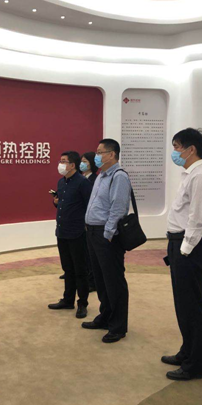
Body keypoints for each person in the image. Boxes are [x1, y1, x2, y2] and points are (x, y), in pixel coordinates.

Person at [161, 128, 202, 381]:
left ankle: (195, 365)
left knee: (192, 306)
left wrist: (184, 250)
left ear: (191, 149)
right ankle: (187, 351)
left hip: (189, 247)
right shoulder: (190, 174)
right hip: (180, 244)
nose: (174, 152)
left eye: (177, 147)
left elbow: (197, 218)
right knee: (183, 304)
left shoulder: (200, 176)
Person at [82, 138, 132, 343]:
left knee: (113, 281)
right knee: (101, 279)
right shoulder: (101, 176)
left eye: (100, 152)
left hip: (106, 235)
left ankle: (118, 326)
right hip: (92, 233)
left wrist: (108, 234)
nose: (96, 156)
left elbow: (118, 208)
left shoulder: (119, 177)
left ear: (111, 154)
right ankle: (105, 316)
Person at [48, 151, 93, 318]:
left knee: (80, 270)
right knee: (67, 268)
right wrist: (56, 203)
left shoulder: (83, 183)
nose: (60, 164)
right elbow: (63, 203)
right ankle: (68, 300)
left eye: (64, 161)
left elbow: (89, 206)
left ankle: (82, 303)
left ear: (73, 165)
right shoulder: (61, 182)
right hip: (62, 231)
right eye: (60, 161)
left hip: (77, 232)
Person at [80, 151, 99, 292]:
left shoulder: (94, 180)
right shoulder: (81, 178)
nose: (82, 164)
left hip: (91, 221)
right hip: (81, 219)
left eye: (85, 161)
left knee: (90, 253)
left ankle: (93, 281)